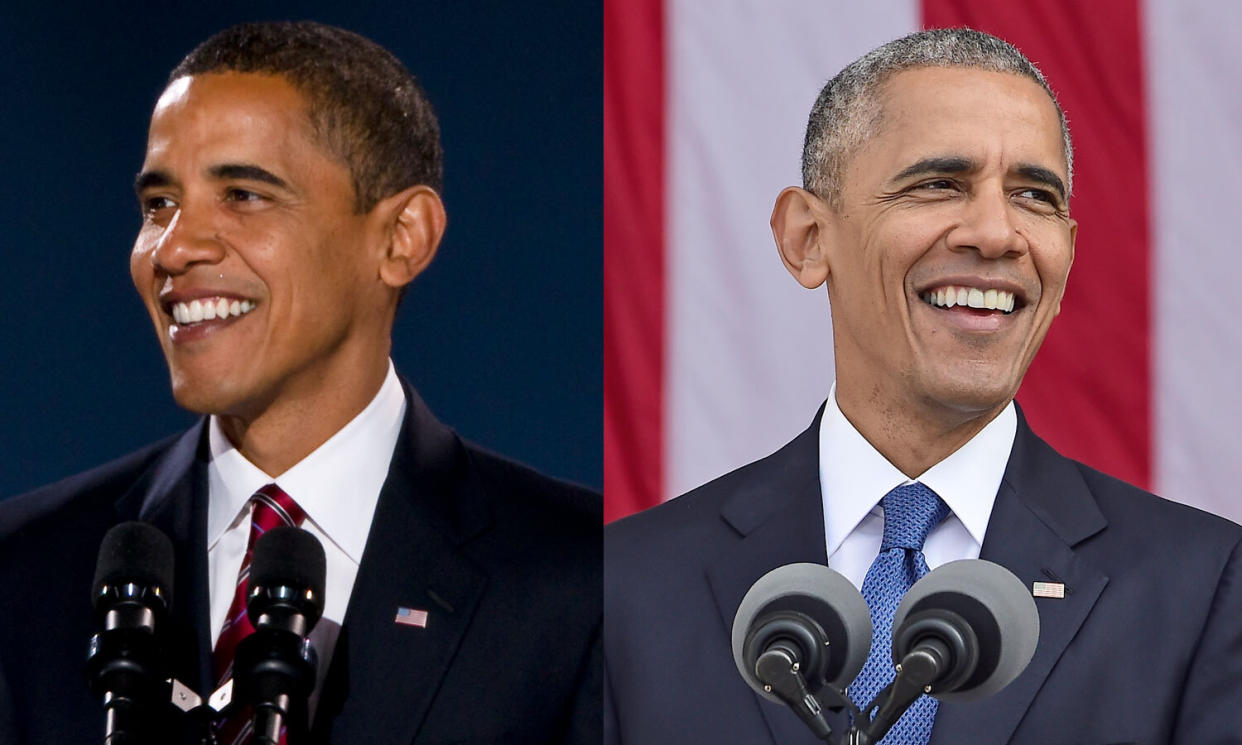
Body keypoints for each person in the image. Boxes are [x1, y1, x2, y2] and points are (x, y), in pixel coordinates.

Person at [605, 27, 1242, 745]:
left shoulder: (1206, 586)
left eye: (1035, 196)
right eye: (940, 184)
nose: (998, 233)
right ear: (809, 239)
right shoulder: (627, 584)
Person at [0, 21, 599, 745]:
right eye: (159, 203)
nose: (175, 246)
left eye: (244, 195)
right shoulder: (25, 569)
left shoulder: (583, 580)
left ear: (401, 237)